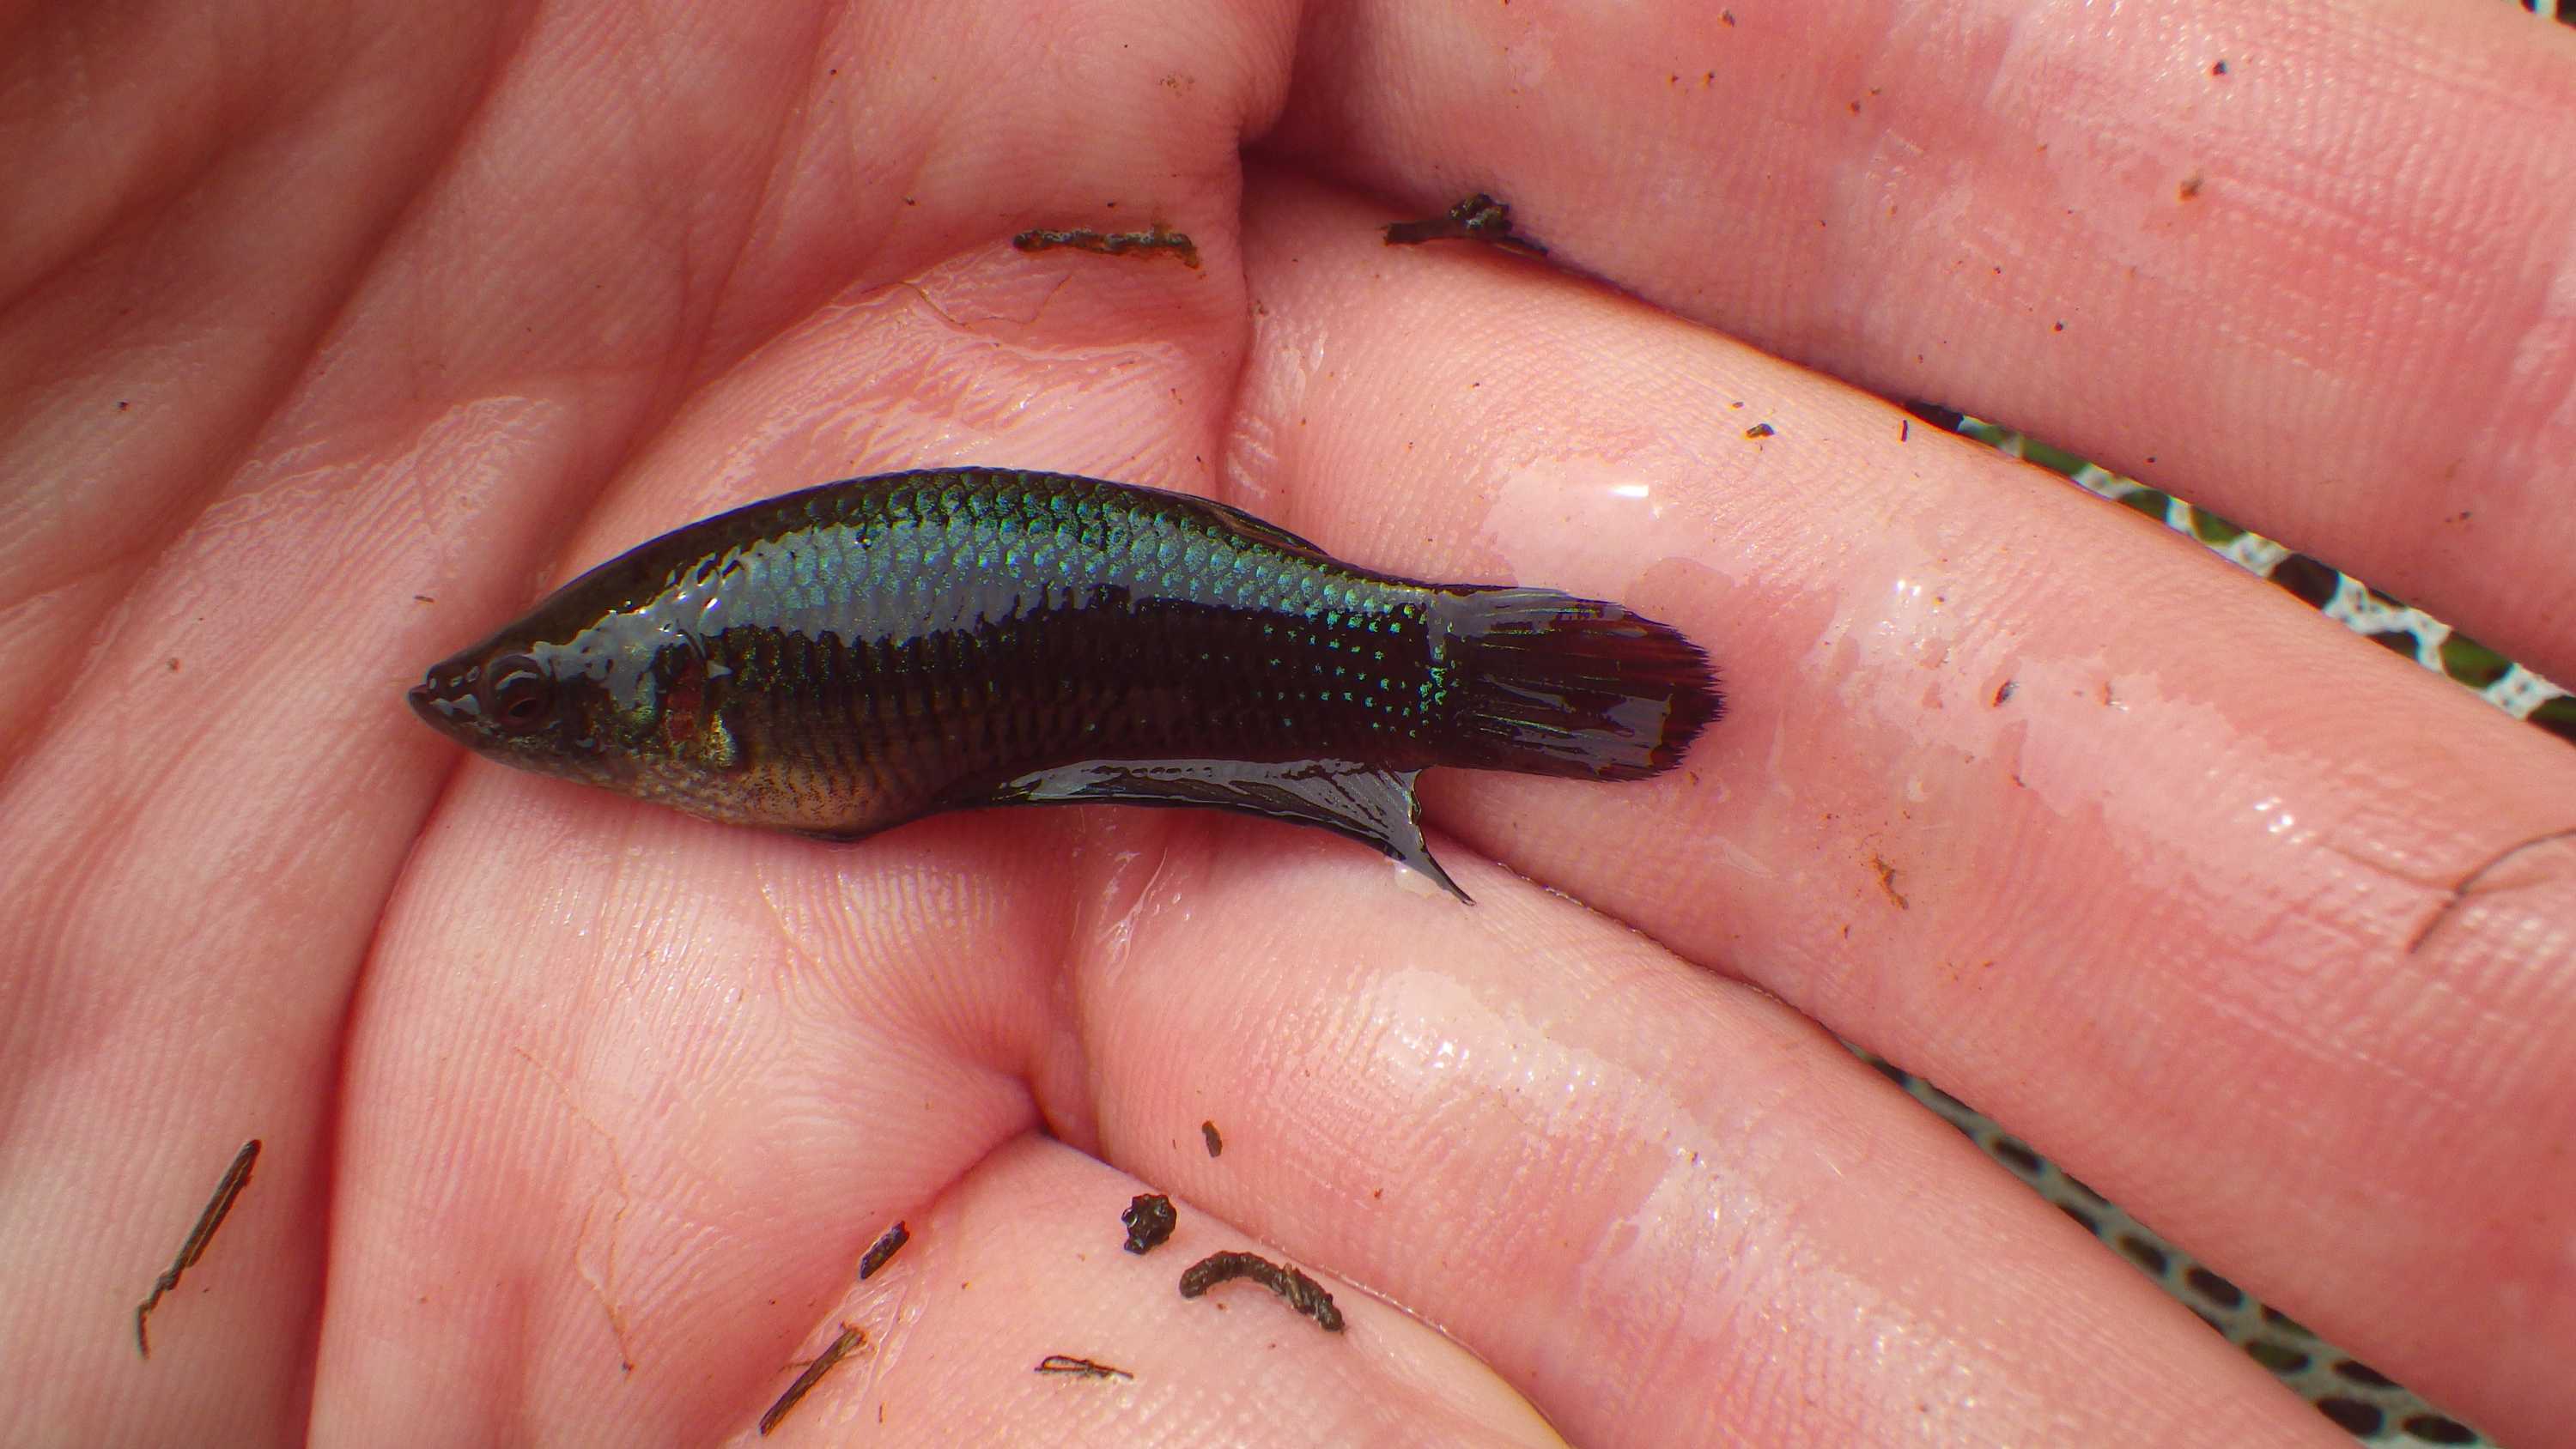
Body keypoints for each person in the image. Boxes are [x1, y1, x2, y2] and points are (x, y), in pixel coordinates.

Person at [5, 2, 2570, 1443]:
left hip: (1225, 633)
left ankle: (1439, 673)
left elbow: (999, 737)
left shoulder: (728, 662)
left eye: (565, 710)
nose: (520, 719)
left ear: (685, 698)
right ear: (689, 705)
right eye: (568, 709)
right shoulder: (687, 659)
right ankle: (1427, 677)